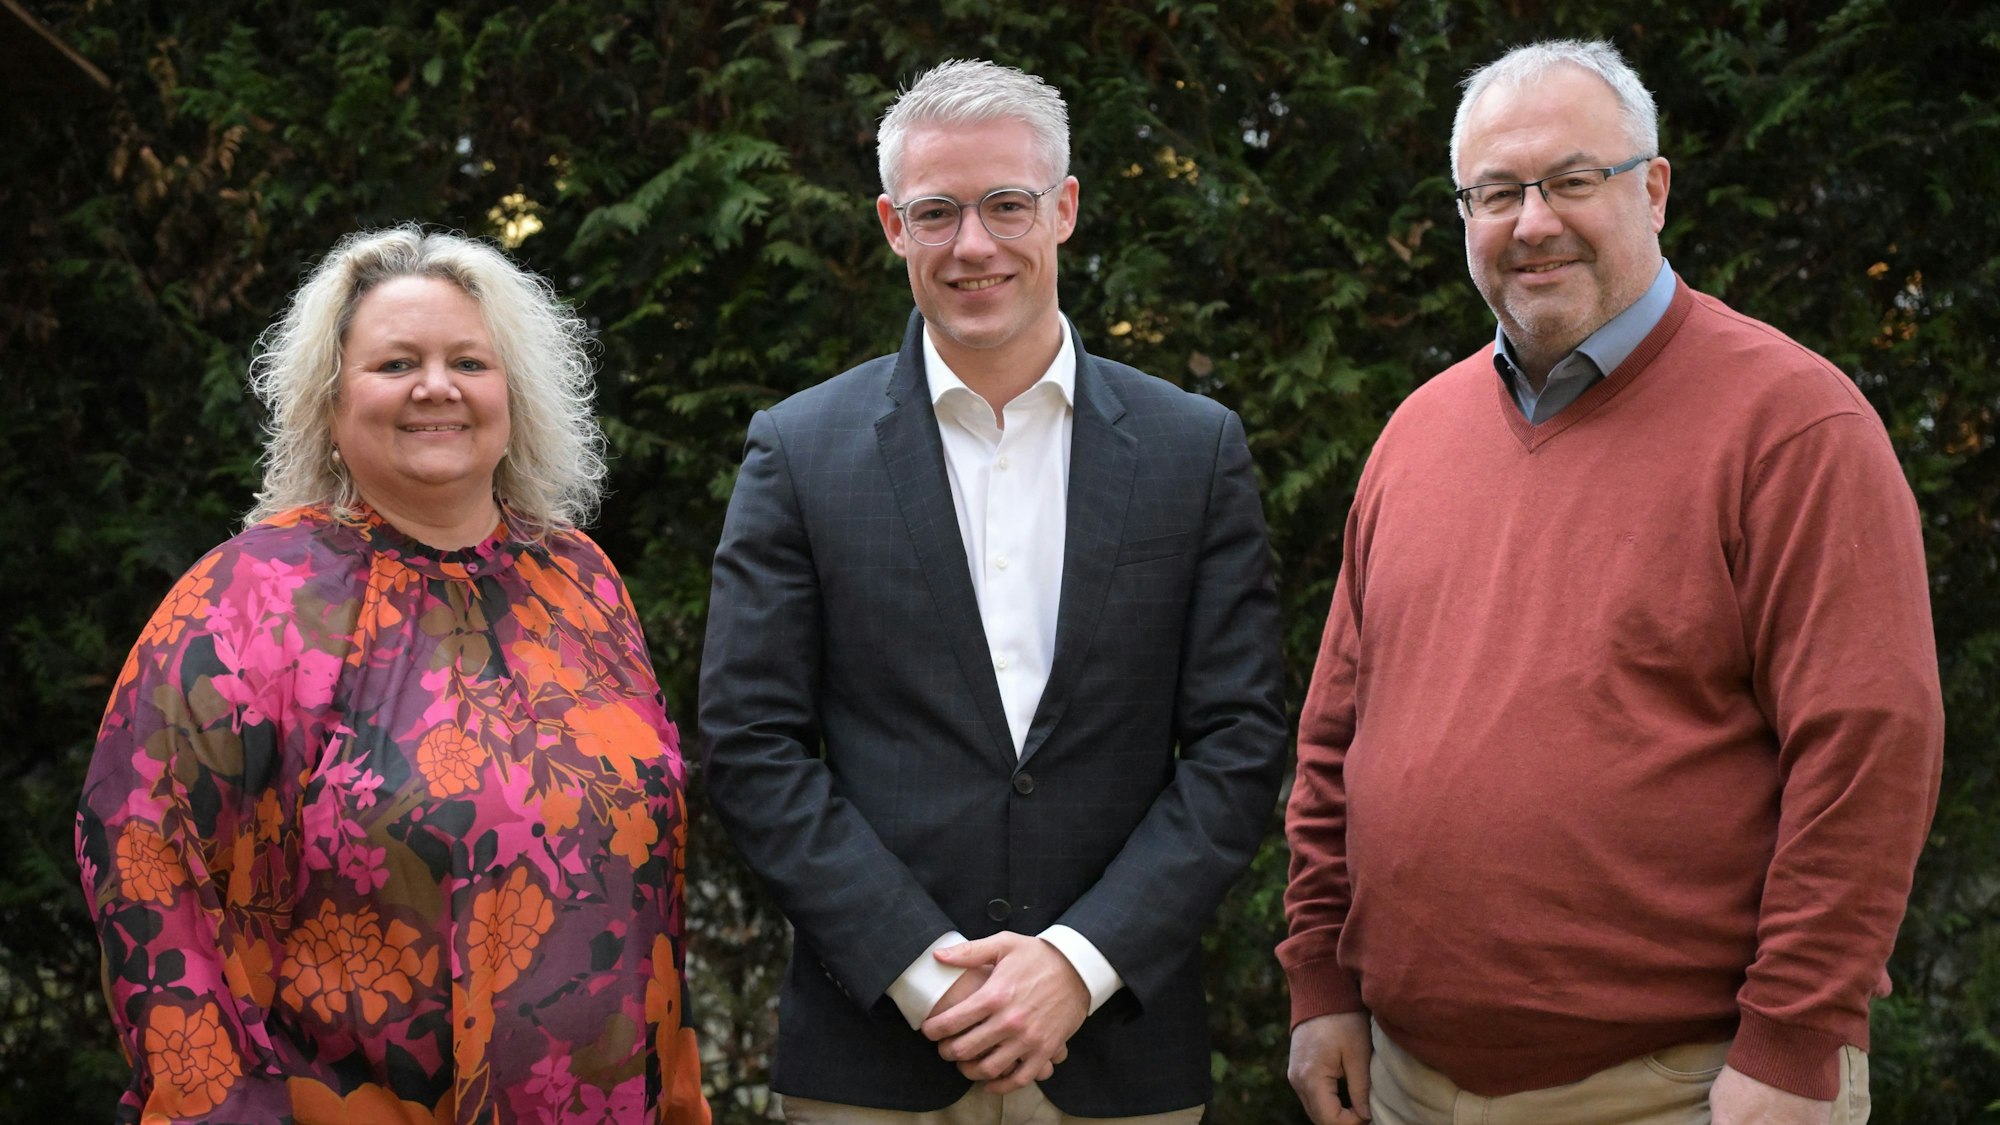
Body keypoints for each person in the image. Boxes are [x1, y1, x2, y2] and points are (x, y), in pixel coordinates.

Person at [1280, 38, 1944, 1125]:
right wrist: (1318, 981)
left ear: (1654, 189)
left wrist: (1792, 1042)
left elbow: (1868, 746)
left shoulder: (1791, 426)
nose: (1530, 221)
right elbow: (1332, 741)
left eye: (1571, 180)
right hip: (1405, 1084)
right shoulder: (1415, 435)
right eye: (1494, 192)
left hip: (1683, 1089)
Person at [699, 58, 1287, 1123]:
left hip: (1115, 1057)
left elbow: (1238, 742)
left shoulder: (1189, 451)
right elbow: (750, 743)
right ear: (891, 225)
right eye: (936, 213)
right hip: (872, 1055)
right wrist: (922, 975)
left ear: (1061, 209)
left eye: (1005, 205)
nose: (973, 245)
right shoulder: (798, 451)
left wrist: (1077, 963)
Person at [76, 226, 709, 1123]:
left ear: (514, 393)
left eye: (469, 362)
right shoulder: (249, 601)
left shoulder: (583, 580)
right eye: (395, 363)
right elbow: (145, 864)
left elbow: (651, 891)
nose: (436, 387)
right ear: (330, 404)